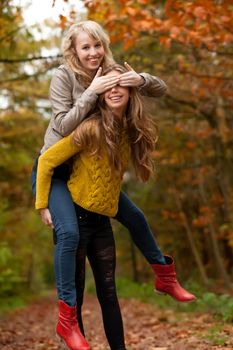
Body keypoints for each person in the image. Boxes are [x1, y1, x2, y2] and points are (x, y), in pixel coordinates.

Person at [31, 21, 196, 347]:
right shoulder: (64, 76)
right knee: (69, 233)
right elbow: (63, 126)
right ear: (74, 51)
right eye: (85, 47)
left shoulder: (111, 73)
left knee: (135, 217)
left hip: (91, 171)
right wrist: (92, 92)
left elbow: (159, 90)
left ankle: (164, 276)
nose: (93, 53)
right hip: (58, 167)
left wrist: (141, 80)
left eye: (97, 46)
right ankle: (66, 319)